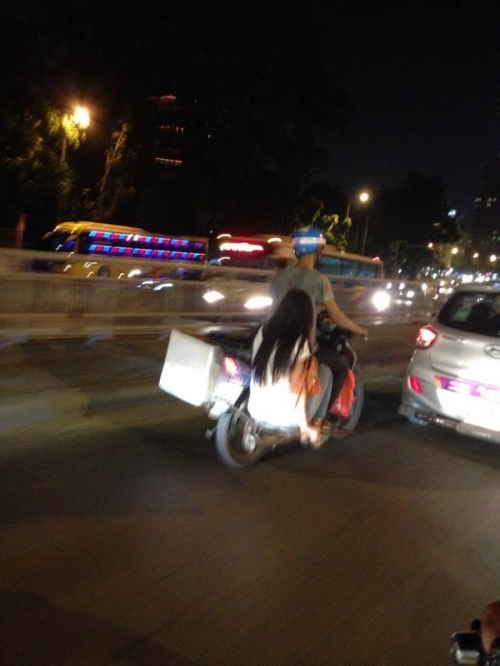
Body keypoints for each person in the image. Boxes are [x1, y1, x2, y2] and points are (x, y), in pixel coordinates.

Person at [267, 226, 369, 429]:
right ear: (317, 250)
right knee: (340, 366)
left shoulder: (280, 277)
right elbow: (337, 316)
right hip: (301, 347)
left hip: (273, 340)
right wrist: (359, 329)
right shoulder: (319, 280)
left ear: (297, 249)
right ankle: (319, 420)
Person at [248, 288, 334, 449]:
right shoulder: (299, 343)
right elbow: (297, 387)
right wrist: (303, 426)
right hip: (285, 418)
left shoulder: (263, 331)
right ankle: (316, 425)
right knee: (326, 372)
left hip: (256, 411)